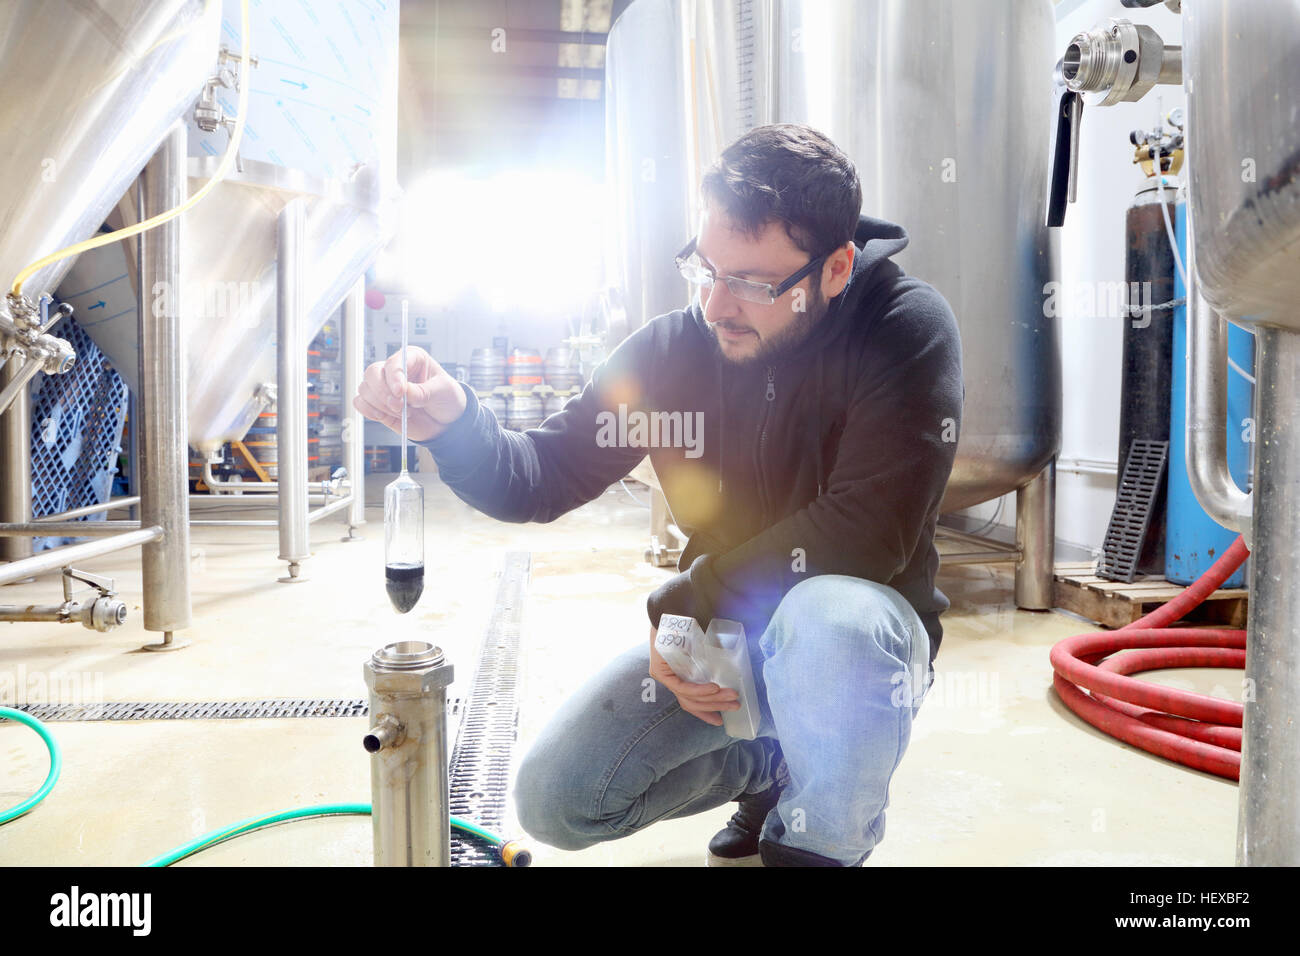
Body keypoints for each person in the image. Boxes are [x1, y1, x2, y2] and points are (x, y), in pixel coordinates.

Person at [353, 124, 963, 866]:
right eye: (705, 269)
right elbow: (544, 474)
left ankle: (819, 839)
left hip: (857, 639)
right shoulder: (672, 353)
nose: (716, 305)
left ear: (834, 271)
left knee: (828, 616)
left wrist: (694, 593)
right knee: (559, 798)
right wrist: (455, 421)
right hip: (727, 636)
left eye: (753, 283)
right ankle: (771, 766)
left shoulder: (904, 328)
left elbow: (867, 532)